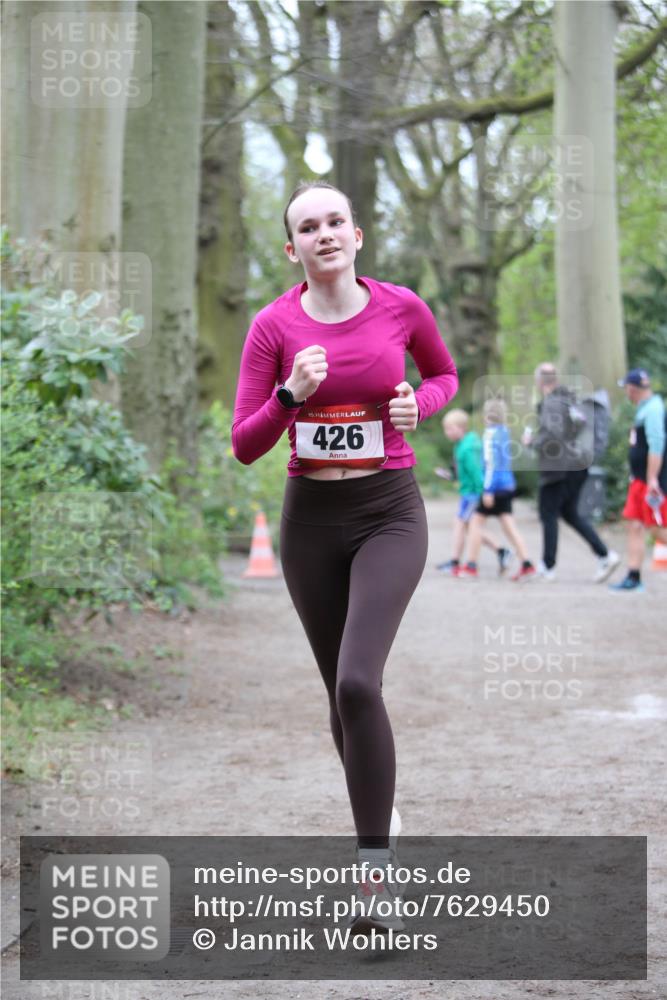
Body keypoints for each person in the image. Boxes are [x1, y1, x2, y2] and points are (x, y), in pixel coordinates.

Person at [231, 181, 458, 932]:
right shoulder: (273, 327)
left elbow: (444, 377)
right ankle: (379, 819)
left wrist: (415, 407)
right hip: (310, 524)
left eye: (335, 221)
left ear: (356, 235)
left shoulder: (401, 307)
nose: (323, 233)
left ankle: (375, 881)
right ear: (291, 248)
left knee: (360, 682)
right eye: (307, 226)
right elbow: (245, 444)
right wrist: (290, 396)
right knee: (341, 694)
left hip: (388, 511)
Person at [524, 362, 619, 583]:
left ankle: (547, 567)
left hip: (559, 468)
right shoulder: (570, 400)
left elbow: (553, 434)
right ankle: (606, 555)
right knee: (569, 513)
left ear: (540, 382)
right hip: (578, 464)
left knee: (548, 514)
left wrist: (532, 442)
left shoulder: (552, 403)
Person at [458, 398, 536, 581]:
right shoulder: (504, 432)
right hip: (507, 485)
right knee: (509, 527)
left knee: (475, 523)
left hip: (494, 487)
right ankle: (527, 564)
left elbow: (491, 464)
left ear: (487, 415)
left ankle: (471, 565)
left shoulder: (490, 435)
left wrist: (487, 489)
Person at [610, 368, 667, 593]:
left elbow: (657, 445)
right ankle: (633, 577)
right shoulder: (643, 409)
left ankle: (634, 577)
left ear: (633, 389)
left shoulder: (653, 409)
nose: (626, 393)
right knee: (634, 525)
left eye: (626, 388)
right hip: (639, 480)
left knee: (656, 528)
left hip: (649, 481)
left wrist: (652, 478)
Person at [435, 409, 511, 575]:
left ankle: (455, 562)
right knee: (471, 528)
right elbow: (463, 472)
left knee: (460, 523)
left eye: (450, 429)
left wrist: (484, 491)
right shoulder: (461, 445)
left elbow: (477, 472)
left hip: (473, 494)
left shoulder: (469, 447)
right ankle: (501, 550)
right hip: (467, 491)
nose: (447, 433)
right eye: (446, 429)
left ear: (461, 428)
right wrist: (451, 475)